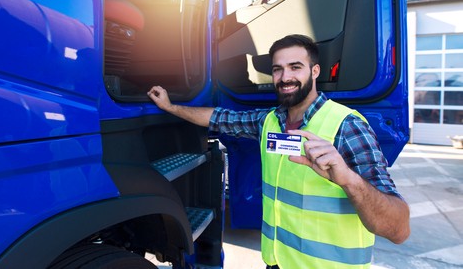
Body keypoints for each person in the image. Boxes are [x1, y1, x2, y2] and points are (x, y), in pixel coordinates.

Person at [148, 34, 410, 269]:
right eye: (278, 69)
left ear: (315, 70)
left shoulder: (347, 127)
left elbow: (398, 229)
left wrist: (349, 179)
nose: (285, 78)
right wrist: (172, 107)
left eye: (295, 67)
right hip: (277, 264)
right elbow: (218, 117)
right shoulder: (269, 122)